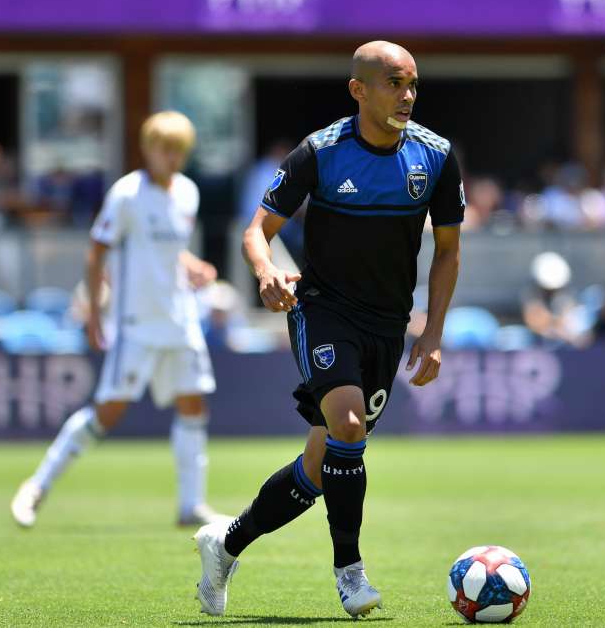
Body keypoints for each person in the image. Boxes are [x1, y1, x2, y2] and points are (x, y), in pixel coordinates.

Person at [192, 41, 464, 619]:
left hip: (387, 325)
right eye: (394, 83)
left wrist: (433, 332)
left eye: (413, 84)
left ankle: (226, 544)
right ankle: (350, 573)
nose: (408, 96)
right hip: (323, 310)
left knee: (319, 467)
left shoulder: (436, 157)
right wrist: (266, 272)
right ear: (358, 90)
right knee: (348, 423)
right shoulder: (320, 153)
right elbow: (256, 230)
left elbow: (447, 251)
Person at [10, 112, 226, 529]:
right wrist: (94, 312)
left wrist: (193, 265)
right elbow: (97, 252)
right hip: (135, 324)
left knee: (194, 403)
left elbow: (166, 250)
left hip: (180, 320)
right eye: (165, 148)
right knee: (108, 412)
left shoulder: (188, 192)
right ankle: (37, 485)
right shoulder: (126, 194)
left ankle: (191, 505)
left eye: (179, 150)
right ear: (147, 149)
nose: (172, 157)